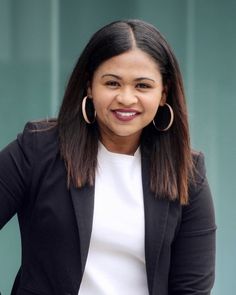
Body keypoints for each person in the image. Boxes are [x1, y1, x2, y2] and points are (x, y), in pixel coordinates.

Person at [0, 19, 216, 295]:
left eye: (143, 86)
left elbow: (192, 288)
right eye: (112, 83)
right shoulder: (38, 150)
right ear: (90, 85)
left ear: (164, 93)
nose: (127, 98)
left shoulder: (187, 172)